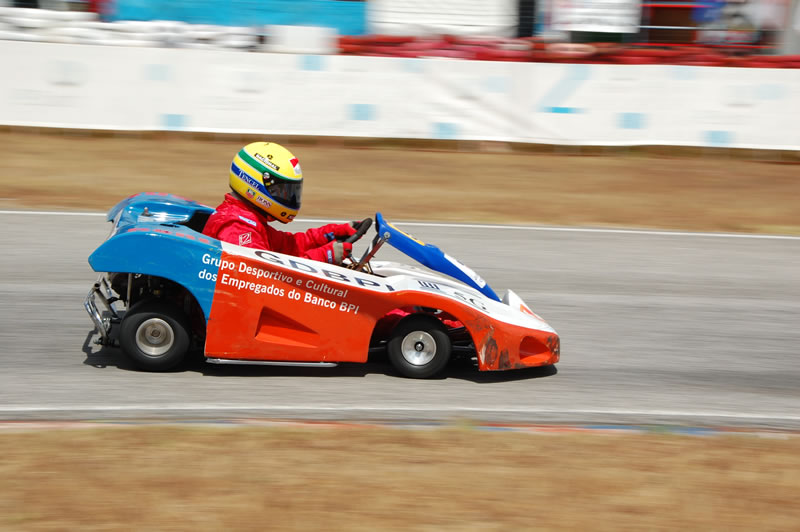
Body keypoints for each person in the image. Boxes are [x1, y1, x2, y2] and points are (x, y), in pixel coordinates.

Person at [202, 141, 366, 265]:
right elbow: (264, 277)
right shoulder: (237, 227)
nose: (288, 197)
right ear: (254, 183)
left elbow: (290, 246)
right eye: (282, 190)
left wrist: (330, 234)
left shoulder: (248, 218)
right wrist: (325, 256)